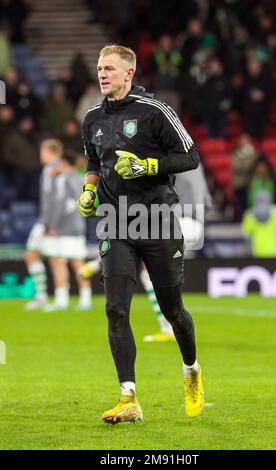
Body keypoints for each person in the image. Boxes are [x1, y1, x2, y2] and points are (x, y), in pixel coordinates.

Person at [77, 44, 204, 423]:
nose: (102, 74)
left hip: (157, 220)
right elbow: (92, 161)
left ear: (129, 74)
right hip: (115, 221)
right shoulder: (92, 118)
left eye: (110, 69)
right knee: (116, 307)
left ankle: (191, 369)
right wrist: (88, 190)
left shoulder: (155, 111)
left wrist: (149, 165)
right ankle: (128, 396)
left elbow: (191, 156)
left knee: (173, 310)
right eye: (100, 67)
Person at [79, 164, 209, 343]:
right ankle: (169, 326)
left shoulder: (168, 159)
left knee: (135, 238)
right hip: (194, 223)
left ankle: (98, 263)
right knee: (146, 262)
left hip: (180, 220)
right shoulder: (190, 160)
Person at [42, 150, 91, 312]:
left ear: (63, 162)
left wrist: (53, 226)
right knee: (78, 262)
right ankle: (85, 299)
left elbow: (64, 204)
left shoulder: (64, 179)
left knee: (59, 262)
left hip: (64, 227)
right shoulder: (80, 177)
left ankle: (61, 300)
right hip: (78, 225)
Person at [24, 139, 63, 310]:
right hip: (48, 220)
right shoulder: (58, 168)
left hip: (47, 221)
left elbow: (57, 198)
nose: (41, 155)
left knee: (42, 256)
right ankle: (45, 296)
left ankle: (50, 297)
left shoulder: (52, 170)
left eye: (42, 151)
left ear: (49, 151)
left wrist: (51, 223)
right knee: (36, 255)